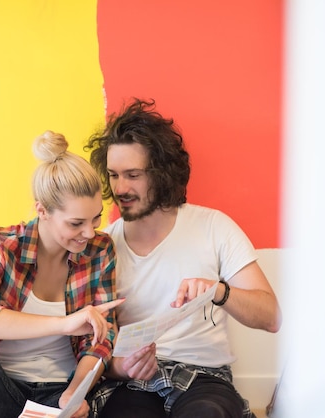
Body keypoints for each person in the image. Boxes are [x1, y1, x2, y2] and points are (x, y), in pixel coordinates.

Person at [84, 98, 282, 418]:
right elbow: (90, 346)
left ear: (161, 174)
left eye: (132, 175)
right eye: (113, 175)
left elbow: (271, 317)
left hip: (205, 378)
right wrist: (121, 368)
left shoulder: (213, 226)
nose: (120, 188)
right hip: (133, 384)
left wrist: (218, 291)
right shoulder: (104, 245)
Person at [0, 130, 123, 418]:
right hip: (0, 387)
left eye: (96, 218)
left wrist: (74, 392)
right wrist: (64, 324)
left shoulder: (100, 249)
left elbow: (102, 338)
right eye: (76, 223)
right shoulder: (3, 244)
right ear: (42, 210)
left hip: (59, 392)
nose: (89, 232)